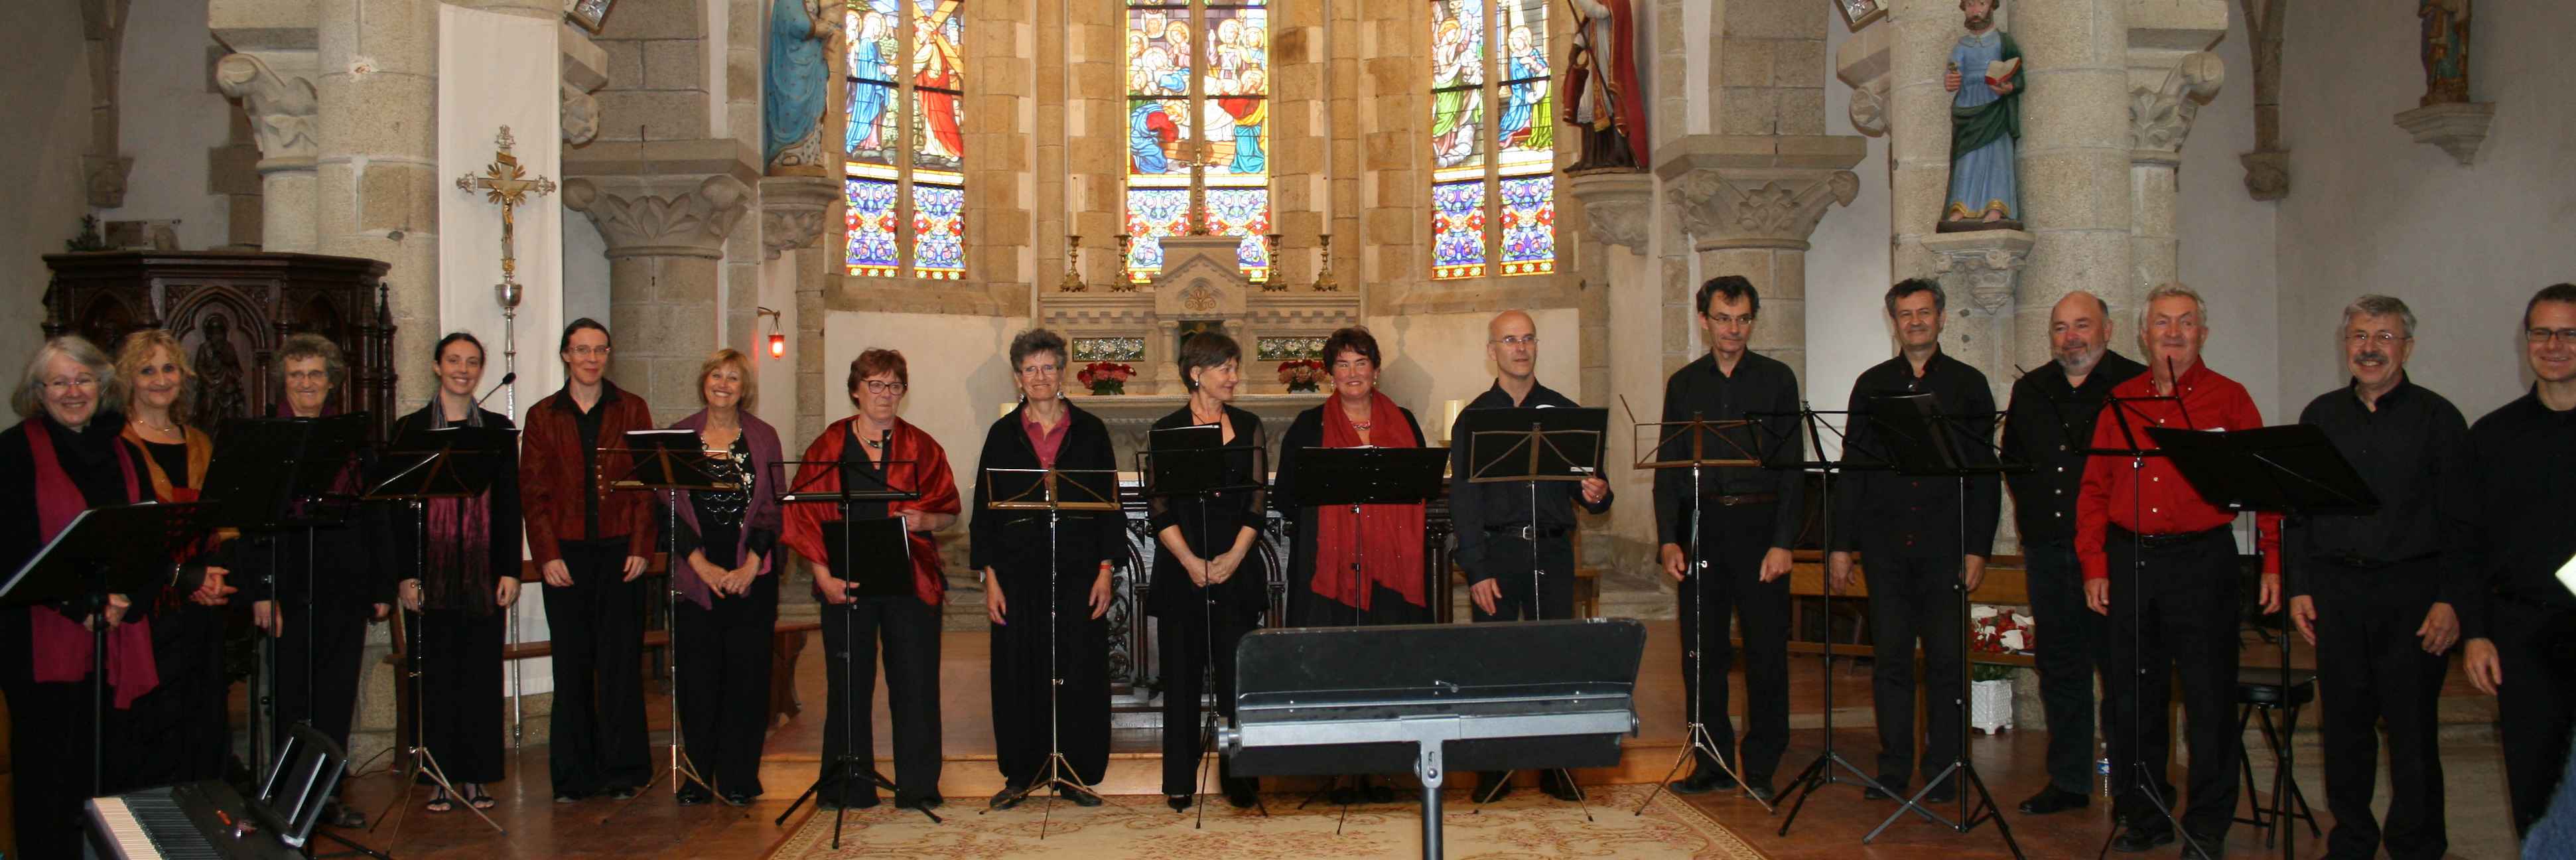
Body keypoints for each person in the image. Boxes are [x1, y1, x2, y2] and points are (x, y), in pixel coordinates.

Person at [2077, 283, 2281, 856]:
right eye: (2162, 323)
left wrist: (2271, 558)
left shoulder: (2229, 398)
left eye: (2185, 322)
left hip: (2202, 561)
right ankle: (2144, 814)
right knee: (2132, 698)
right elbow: (2093, 490)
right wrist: (2095, 565)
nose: (2172, 332)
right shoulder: (2119, 399)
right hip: (2130, 559)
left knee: (2208, 700)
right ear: (2143, 335)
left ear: (2203, 334)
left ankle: (2208, 823)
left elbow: (2265, 486)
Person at [2279, 295, 2465, 860]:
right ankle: (2352, 840)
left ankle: (2417, 845)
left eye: (2383, 337)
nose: (2369, 348)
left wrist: (2451, 600)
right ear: (2345, 347)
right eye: (2359, 337)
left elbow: (2462, 521)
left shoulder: (2438, 419)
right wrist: (2299, 585)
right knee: (2344, 729)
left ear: (2406, 346)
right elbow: (2298, 510)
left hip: (2411, 592)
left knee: (2411, 732)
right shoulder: (2320, 416)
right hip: (2335, 590)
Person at [1829, 278, 2001, 804]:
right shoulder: (1872, 384)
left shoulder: (1969, 385)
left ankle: (1946, 768)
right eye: (1904, 315)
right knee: (1892, 664)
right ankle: (1893, 770)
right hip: (1884, 546)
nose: (1915, 323)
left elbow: (1984, 474)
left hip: (1944, 546)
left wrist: (1977, 548)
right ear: (1894, 322)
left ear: (1941, 318)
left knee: (1948, 663)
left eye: (1923, 313)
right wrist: (1840, 543)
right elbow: (1852, 468)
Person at [0, 337, 161, 857]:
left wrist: (125, 601)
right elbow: (12, 549)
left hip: (115, 629)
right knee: (48, 775)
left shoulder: (123, 448)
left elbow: (147, 537)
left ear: (102, 385)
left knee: (110, 766)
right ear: (38, 391)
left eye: (84, 379)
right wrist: (79, 607)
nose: (73, 392)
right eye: (59, 382)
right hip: (40, 635)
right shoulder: (12, 450)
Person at [780, 348, 960, 812]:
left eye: (894, 385)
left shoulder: (922, 445)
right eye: (876, 384)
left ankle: (918, 786)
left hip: (911, 583)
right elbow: (802, 516)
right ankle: (848, 785)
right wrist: (823, 578)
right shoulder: (829, 445)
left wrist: (926, 521)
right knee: (848, 686)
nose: (885, 394)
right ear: (856, 389)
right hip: (846, 584)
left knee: (916, 686)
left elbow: (948, 512)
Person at [1452, 310, 1612, 803]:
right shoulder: (1476, 418)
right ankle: (1493, 768)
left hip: (1552, 550)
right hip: (1497, 552)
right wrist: (1475, 568)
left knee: (1553, 662)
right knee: (1493, 664)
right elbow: (1464, 500)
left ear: (1535, 346)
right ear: (1492, 351)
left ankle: (1555, 766)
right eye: (1509, 340)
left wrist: (1596, 492)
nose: (1519, 348)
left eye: (1527, 339)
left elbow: (1594, 497)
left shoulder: (1565, 413)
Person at [1653, 277, 1803, 803]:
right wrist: (1668, 540)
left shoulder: (1777, 380)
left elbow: (1791, 470)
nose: (1732, 330)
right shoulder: (1684, 383)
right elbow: (1670, 469)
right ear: (1703, 320)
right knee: (1701, 652)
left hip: (1760, 530)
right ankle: (1710, 760)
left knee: (1765, 653)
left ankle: (1760, 764)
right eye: (1722, 318)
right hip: (1702, 529)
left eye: (1741, 319)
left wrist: (1783, 542)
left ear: (1752, 321)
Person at [1999, 291, 2144, 816]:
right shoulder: (2031, 388)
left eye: (2082, 325)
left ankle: (2132, 786)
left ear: (2107, 329)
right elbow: (2015, 464)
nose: (2071, 338)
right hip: (2048, 552)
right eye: (2060, 328)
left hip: (2114, 555)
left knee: (2121, 672)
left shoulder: (2134, 386)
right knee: (2059, 669)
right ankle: (2068, 780)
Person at [1276, 325, 1430, 806]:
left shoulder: (1403, 420)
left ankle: (1383, 767)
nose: (1352, 373)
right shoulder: (1308, 426)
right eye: (1341, 364)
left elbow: (1421, 483)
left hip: (1391, 566)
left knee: (1386, 661)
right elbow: (1285, 495)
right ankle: (1338, 768)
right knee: (1334, 665)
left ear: (1376, 370)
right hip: (1330, 568)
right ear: (1329, 374)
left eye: (1360, 362)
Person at [243, 332, 391, 828]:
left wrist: (380, 587)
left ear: (332, 382)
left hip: (344, 580)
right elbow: (252, 524)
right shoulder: (265, 439)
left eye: (316, 374)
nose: (306, 383)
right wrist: (262, 590)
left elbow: (376, 519)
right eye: (296, 374)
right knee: (291, 693)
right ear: (283, 382)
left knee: (334, 692)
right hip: (287, 581)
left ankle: (327, 796)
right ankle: (287, 799)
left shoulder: (354, 442)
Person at [972, 330, 1123, 810]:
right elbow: (984, 511)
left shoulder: (1091, 431)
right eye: (1030, 369)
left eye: (1048, 368)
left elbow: (1109, 506)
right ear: (1018, 378)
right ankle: (1022, 771)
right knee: (1020, 668)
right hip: (1018, 570)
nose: (1040, 377)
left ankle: (1076, 770)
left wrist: (1105, 569)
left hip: (1079, 566)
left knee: (1078, 666)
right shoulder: (1002, 434)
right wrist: (990, 577)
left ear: (1062, 373)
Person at [520, 318, 659, 802]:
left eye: (600, 350)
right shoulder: (542, 416)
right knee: (572, 666)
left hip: (621, 551)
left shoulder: (632, 408)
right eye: (581, 350)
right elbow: (533, 494)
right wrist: (547, 555)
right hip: (567, 555)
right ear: (566, 356)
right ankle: (574, 775)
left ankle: (626, 770)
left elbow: (647, 485)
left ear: (608, 355)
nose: (591, 359)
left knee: (621, 666)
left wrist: (642, 547)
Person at [2455, 282, 2576, 836]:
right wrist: (2476, 632)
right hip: (2521, 632)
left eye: (2569, 333)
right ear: (2525, 340)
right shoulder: (2493, 436)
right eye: (2541, 332)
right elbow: (2467, 543)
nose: (2553, 345)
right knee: (2534, 784)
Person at [388, 332, 523, 813]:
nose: (462, 369)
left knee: (481, 679)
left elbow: (510, 504)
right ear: (436, 366)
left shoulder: (499, 430)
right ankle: (439, 776)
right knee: (436, 678)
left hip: (484, 572)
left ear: (481, 370)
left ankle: (476, 778)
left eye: (471, 362)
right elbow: (397, 512)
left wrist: (510, 569)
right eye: (453, 361)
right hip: (429, 573)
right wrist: (404, 574)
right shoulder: (409, 431)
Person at [113, 330, 238, 788]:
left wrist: (213, 578)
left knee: (200, 714)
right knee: (153, 720)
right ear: (128, 379)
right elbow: (125, 535)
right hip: (147, 603)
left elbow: (221, 521)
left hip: (200, 603)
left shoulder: (199, 441)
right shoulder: (116, 443)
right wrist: (183, 576)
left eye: (168, 368)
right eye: (147, 370)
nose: (159, 380)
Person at [1148, 331, 1267, 812]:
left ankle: (1241, 780)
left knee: (1236, 681)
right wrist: (1190, 562)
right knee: (1180, 681)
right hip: (1183, 571)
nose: (1234, 377)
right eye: (1225, 369)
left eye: (1235, 367)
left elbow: (1258, 503)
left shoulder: (1249, 425)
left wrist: (1235, 556)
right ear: (1196, 373)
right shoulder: (1168, 428)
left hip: (1235, 567)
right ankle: (1179, 781)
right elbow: (1159, 508)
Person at [661, 348, 784, 808]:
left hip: (749, 571)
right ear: (704, 381)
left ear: (744, 388)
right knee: (698, 680)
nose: (724, 384)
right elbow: (665, 508)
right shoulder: (678, 436)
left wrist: (751, 566)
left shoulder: (763, 436)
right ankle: (696, 776)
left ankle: (738, 778)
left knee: (747, 679)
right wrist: (701, 565)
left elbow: (773, 508)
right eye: (717, 374)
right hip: (697, 573)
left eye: (734, 377)